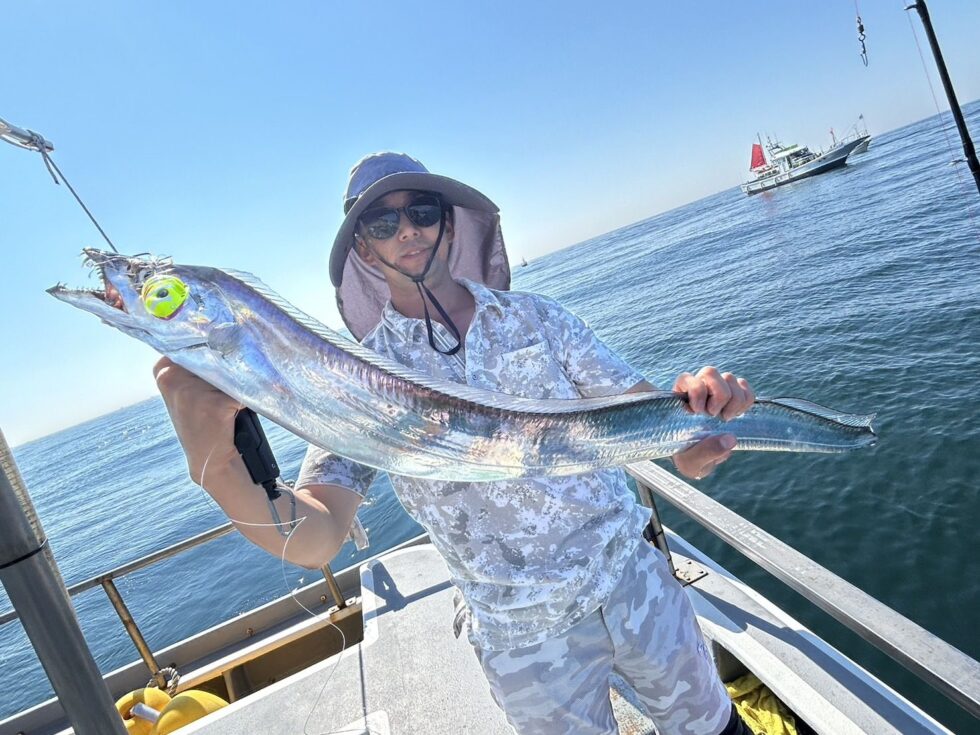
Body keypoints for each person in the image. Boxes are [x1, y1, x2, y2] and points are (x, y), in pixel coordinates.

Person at [154, 152, 754, 735]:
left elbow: (653, 429)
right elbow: (315, 538)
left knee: (713, 728)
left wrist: (696, 423)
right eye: (382, 223)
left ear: (448, 221)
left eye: (421, 211)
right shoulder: (357, 380)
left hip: (634, 579)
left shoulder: (540, 320)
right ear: (363, 246)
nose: (407, 231)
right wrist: (217, 465)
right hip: (523, 639)